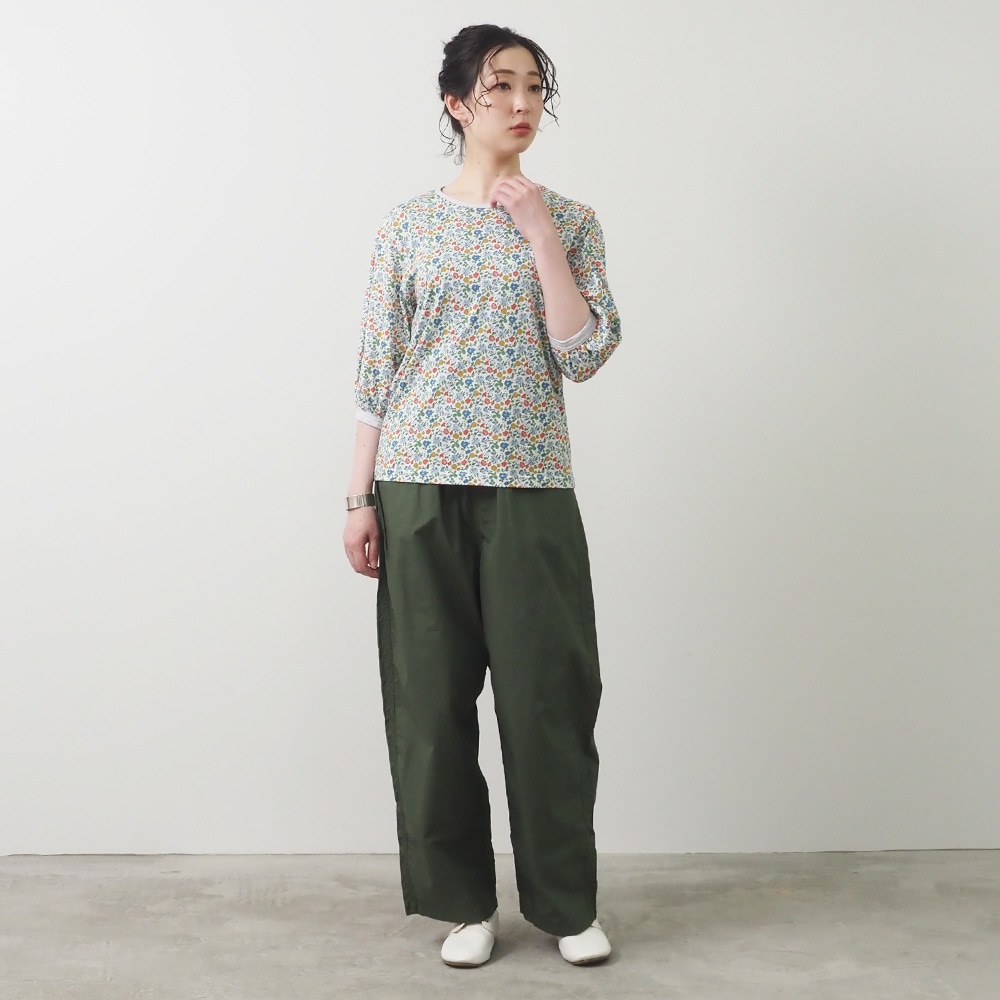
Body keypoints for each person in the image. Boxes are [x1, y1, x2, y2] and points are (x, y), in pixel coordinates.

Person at [343, 23, 622, 968]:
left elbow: (584, 353)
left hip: (530, 484)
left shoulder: (570, 219)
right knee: (430, 704)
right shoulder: (407, 227)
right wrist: (357, 496)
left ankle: (567, 905)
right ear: (457, 103)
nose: (521, 103)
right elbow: (377, 370)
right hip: (417, 484)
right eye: (500, 87)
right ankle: (463, 904)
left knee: (549, 701)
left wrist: (537, 232)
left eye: (534, 87)